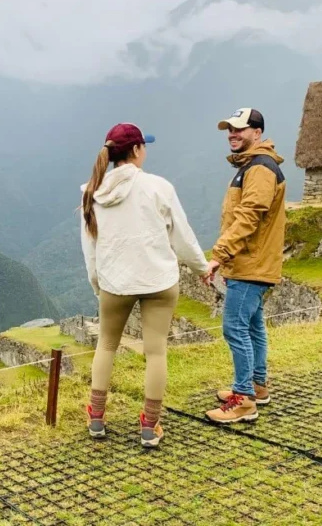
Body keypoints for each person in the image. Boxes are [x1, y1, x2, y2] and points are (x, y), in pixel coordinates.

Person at [81, 122, 209, 447]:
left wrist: (99, 286)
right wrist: (201, 268)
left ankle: (96, 418)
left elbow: (91, 251)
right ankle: (150, 426)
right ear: (136, 150)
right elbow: (182, 236)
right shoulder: (158, 187)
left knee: (107, 345)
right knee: (156, 352)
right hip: (159, 281)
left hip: (115, 283)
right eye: (144, 146)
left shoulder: (92, 192)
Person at [204, 108, 287, 424]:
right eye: (229, 130)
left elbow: (250, 215)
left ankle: (243, 401)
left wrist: (219, 254)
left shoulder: (260, 169)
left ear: (258, 132)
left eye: (239, 129)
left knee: (234, 327)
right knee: (252, 326)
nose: (232, 135)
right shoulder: (252, 165)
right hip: (252, 262)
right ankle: (257, 386)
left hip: (250, 264)